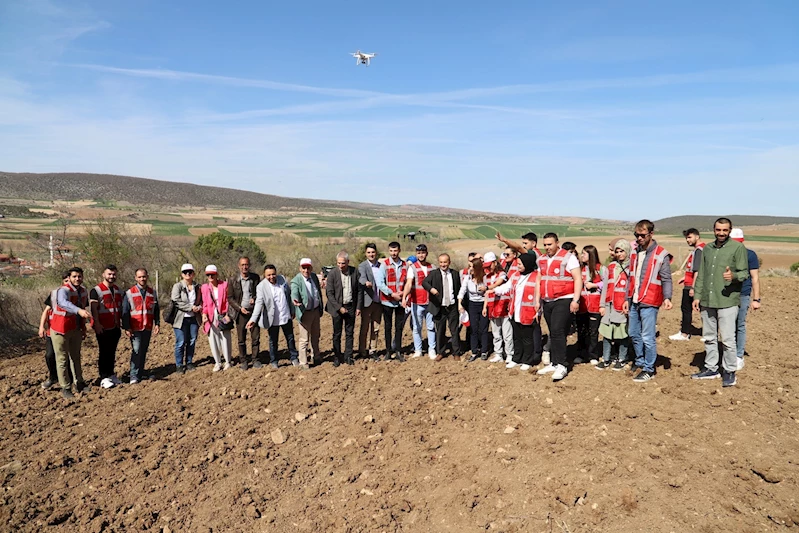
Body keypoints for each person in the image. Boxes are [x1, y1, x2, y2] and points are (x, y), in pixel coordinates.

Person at [691, 219, 749, 387]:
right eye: (718, 230)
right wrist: (697, 296)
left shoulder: (737, 248)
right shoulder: (707, 249)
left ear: (729, 230)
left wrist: (734, 277)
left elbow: (744, 273)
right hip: (708, 300)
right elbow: (702, 273)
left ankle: (729, 370)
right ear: (714, 230)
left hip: (727, 301)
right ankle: (711, 368)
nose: (721, 233)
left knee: (728, 339)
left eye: (725, 230)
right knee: (709, 337)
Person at [623, 220, 673, 383]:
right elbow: (630, 277)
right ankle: (639, 361)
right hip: (634, 299)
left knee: (647, 336)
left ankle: (649, 369)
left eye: (642, 235)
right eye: (636, 235)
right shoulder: (635, 253)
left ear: (651, 234)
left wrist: (667, 297)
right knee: (633, 333)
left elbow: (666, 279)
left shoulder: (661, 254)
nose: (639, 238)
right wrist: (626, 298)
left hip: (650, 300)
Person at [536, 233, 582, 381]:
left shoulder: (568, 257)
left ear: (557, 243)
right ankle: (554, 363)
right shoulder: (542, 259)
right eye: (545, 245)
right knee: (553, 332)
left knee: (558, 330)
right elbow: (539, 280)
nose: (547, 247)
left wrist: (576, 300)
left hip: (564, 299)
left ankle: (562, 364)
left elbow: (577, 278)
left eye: (550, 244)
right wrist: (538, 300)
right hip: (548, 300)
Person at [50, 268, 91, 398]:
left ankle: (79, 382)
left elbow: (83, 310)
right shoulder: (63, 290)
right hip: (60, 329)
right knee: (62, 359)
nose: (77, 279)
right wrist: (78, 311)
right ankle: (65, 387)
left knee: (76, 357)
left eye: (79, 276)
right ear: (69, 277)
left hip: (75, 329)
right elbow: (63, 303)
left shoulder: (83, 291)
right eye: (74, 276)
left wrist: (83, 328)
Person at [493, 253, 539, 370]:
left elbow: (540, 296)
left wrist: (539, 311)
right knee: (516, 337)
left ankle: (527, 360)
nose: (517, 266)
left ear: (527, 264)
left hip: (529, 313)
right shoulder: (515, 275)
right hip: (515, 311)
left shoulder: (537, 276)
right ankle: (516, 358)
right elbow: (506, 287)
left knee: (527, 338)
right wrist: (493, 290)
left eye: (520, 264)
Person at [248, 264, 298, 369]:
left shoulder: (282, 279)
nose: (271, 277)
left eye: (273, 274)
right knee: (273, 341)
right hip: (272, 318)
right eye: (268, 275)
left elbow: (289, 296)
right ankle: (274, 361)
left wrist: (292, 310)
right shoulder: (261, 287)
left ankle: (294, 358)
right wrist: (253, 319)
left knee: (290, 338)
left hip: (285, 314)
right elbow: (259, 304)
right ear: (264, 275)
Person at [597, 240, 632, 370]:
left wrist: (629, 304)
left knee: (622, 333)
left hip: (622, 306)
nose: (619, 254)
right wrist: (602, 305)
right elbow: (605, 286)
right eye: (616, 251)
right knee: (606, 333)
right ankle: (606, 359)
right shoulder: (611, 267)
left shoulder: (632, 267)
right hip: (609, 306)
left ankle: (622, 358)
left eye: (621, 251)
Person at [121, 268, 160, 385]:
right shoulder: (129, 293)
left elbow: (156, 310)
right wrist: (127, 327)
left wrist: (157, 323)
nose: (142, 279)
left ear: (147, 276)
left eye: (144, 276)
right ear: (135, 278)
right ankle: (133, 374)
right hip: (135, 327)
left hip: (147, 326)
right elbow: (125, 311)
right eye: (139, 277)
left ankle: (141, 372)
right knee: (136, 350)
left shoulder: (152, 293)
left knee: (143, 350)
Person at [422, 253, 463, 361]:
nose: (443, 264)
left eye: (445, 262)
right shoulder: (434, 274)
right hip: (439, 307)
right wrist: (431, 289)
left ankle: (456, 352)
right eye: (441, 262)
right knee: (440, 330)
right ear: (438, 263)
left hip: (452, 306)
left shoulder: (455, 274)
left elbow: (458, 289)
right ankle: (441, 351)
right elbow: (424, 282)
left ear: (449, 262)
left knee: (454, 331)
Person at [730, 228, 761, 370]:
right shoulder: (726, 254)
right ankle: (728, 353)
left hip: (743, 294)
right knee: (726, 325)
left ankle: (738, 355)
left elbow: (755, 277)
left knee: (740, 325)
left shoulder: (750, 255)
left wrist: (756, 299)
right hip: (727, 295)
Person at [90, 264, 124, 387]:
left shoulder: (118, 290)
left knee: (112, 352)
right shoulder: (96, 290)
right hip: (102, 327)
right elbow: (94, 308)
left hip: (115, 326)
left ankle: (111, 374)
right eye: (109, 274)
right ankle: (103, 377)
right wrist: (97, 324)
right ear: (103, 274)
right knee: (104, 351)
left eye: (114, 274)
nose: (111, 276)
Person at [402, 244, 437, 359]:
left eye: (423, 253)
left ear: (426, 253)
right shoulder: (413, 268)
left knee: (431, 326)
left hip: (430, 302)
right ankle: (418, 350)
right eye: (419, 253)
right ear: (416, 254)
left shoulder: (433, 267)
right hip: (417, 302)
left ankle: (432, 349)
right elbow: (408, 283)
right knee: (417, 327)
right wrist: (404, 297)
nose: (421, 255)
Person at [39, 272, 72, 390]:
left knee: (64, 356)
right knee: (49, 355)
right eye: (66, 281)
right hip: (52, 331)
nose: (68, 283)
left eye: (70, 281)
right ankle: (53, 377)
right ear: (62, 282)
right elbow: (46, 311)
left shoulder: (75, 295)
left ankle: (69, 379)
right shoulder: (55, 294)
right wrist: (41, 326)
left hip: (67, 331)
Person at [326, 252, 360, 366]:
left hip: (350, 305)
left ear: (348, 262)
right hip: (336, 307)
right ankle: (337, 356)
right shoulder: (332, 274)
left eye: (343, 263)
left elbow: (359, 291)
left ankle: (348, 356)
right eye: (339, 263)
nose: (341, 266)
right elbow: (329, 293)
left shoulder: (354, 272)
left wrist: (358, 307)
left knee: (349, 332)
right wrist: (339, 307)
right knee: (337, 333)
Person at [375, 242, 407, 362]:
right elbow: (380, 283)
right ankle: (388, 351)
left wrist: (403, 294)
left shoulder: (405, 265)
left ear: (399, 250)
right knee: (387, 327)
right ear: (389, 251)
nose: (393, 253)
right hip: (387, 301)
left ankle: (398, 350)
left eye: (395, 251)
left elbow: (408, 282)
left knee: (399, 327)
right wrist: (391, 293)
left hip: (400, 302)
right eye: (391, 251)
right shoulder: (384, 265)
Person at [227, 256, 261, 370]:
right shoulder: (232, 280)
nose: (244, 267)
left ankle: (255, 359)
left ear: (249, 265)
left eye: (246, 264)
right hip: (240, 313)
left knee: (255, 337)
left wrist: (255, 298)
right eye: (242, 265)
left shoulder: (255, 278)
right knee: (241, 339)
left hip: (253, 312)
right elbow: (230, 298)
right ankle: (244, 361)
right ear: (238, 266)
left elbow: (259, 293)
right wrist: (239, 308)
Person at [670, 229, 704, 341]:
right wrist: (685, 277)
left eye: (690, 237)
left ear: (697, 236)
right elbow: (693, 269)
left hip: (692, 285)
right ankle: (707, 333)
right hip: (690, 282)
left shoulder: (699, 250)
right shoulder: (697, 250)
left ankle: (685, 333)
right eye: (686, 238)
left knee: (687, 309)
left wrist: (693, 287)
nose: (687, 240)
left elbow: (698, 270)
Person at [575, 246, 606, 365]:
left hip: (595, 305)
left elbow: (607, 284)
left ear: (591, 255)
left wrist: (595, 285)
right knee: (582, 331)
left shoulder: (600, 269)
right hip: (582, 306)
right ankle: (581, 354)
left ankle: (593, 355)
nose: (582, 256)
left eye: (584, 254)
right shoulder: (579, 269)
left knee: (593, 332)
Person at [291, 258, 324, 370]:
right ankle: (303, 362)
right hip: (304, 312)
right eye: (303, 268)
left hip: (315, 311)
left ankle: (316, 356)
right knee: (304, 339)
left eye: (308, 268)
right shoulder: (296, 280)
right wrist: (295, 300)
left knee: (316, 336)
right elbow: (294, 292)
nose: (306, 270)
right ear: (300, 268)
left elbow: (318, 292)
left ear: (311, 268)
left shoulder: (314, 277)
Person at [170, 263, 203, 374]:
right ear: (182, 274)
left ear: (193, 273)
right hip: (180, 319)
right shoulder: (177, 286)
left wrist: (199, 307)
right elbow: (176, 300)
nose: (187, 274)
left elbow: (202, 299)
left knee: (192, 341)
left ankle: (189, 362)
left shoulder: (198, 287)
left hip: (194, 318)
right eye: (185, 272)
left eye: (190, 272)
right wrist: (190, 307)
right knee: (181, 341)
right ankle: (179, 365)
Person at [483, 252, 514, 365]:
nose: (487, 268)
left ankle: (509, 354)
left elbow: (498, 284)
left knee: (507, 333)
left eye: (489, 265)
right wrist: (485, 306)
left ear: (495, 263)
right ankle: (498, 354)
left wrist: (487, 287)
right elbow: (486, 293)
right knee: (496, 333)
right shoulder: (486, 277)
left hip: (504, 307)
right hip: (492, 307)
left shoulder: (502, 275)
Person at [458, 256, 490, 362]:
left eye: (472, 267)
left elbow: (487, 294)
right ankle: (474, 351)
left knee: (483, 328)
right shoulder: (467, 278)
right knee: (473, 329)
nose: (470, 269)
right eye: (469, 267)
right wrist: (459, 303)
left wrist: (485, 307)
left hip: (483, 304)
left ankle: (484, 351)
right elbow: (462, 290)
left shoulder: (484, 278)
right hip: (472, 305)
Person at [357, 243, 383, 358]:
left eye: (373, 252)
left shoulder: (381, 266)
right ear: (365, 254)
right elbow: (361, 277)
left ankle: (373, 350)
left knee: (376, 328)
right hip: (367, 302)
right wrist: (365, 282)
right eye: (369, 252)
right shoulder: (362, 266)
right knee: (365, 327)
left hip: (379, 301)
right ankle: (362, 351)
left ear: (376, 253)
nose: (371, 254)